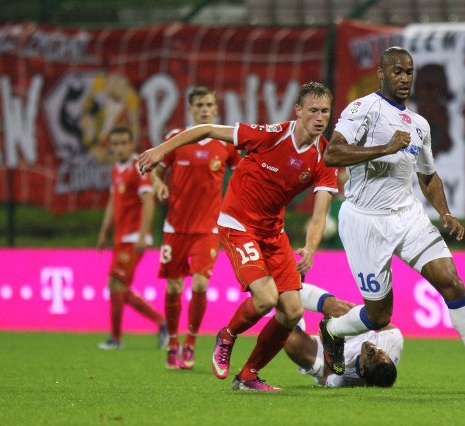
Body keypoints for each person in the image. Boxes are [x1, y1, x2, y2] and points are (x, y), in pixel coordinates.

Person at [319, 46, 465, 398]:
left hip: (408, 216)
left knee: (452, 282)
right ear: (381, 73)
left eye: (409, 72)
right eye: (396, 71)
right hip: (365, 221)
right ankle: (334, 330)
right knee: (379, 317)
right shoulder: (362, 110)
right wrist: (384, 148)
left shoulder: (419, 124)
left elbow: (428, 176)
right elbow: (332, 153)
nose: (404, 78)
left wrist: (443, 212)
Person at [138, 82, 339, 391]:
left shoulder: (324, 157)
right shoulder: (272, 134)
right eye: (313, 110)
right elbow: (206, 130)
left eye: (325, 111)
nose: (320, 117)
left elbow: (319, 214)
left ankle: (248, 376)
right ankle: (227, 336)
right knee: (265, 298)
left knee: (292, 312)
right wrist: (159, 151)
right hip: (237, 223)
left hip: (274, 232)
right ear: (298, 111)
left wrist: (311, 248)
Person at [150, 87, 241, 369]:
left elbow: (241, 173)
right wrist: (158, 183)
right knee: (174, 287)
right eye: (199, 104)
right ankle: (173, 343)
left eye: (209, 104)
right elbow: (157, 167)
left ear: (215, 109)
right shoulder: (176, 139)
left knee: (200, 283)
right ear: (190, 109)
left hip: (208, 228)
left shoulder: (225, 144)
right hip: (175, 226)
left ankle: (190, 342)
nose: (204, 109)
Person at [96, 126, 167, 350]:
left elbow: (148, 201)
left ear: (131, 144)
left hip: (134, 236)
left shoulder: (139, 167)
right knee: (119, 287)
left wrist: (144, 234)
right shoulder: (116, 169)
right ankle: (162, 323)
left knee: (115, 283)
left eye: (123, 143)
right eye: (115, 144)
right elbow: (112, 202)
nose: (119, 148)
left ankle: (116, 339)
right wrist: (104, 231)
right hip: (121, 237)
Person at [285, 283, 402, 388]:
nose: (373, 348)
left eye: (371, 355)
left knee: (291, 341)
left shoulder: (346, 379)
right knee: (337, 309)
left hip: (329, 361)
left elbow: (326, 376)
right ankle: (290, 288)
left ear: (361, 370)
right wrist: (353, 312)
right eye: (380, 351)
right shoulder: (394, 343)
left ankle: (292, 315)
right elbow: (378, 319)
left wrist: (328, 345)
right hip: (357, 334)